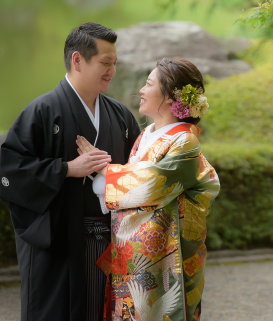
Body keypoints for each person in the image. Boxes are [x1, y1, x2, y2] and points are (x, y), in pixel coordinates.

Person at [0, 22, 142, 321]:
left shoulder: (121, 116)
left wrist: (110, 173)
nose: (111, 71)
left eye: (114, 63)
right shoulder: (43, 111)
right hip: (60, 241)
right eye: (105, 63)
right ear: (77, 60)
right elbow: (10, 174)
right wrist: (65, 169)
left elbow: (139, 173)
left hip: (110, 242)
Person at [77, 57, 220, 321]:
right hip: (135, 252)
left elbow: (154, 183)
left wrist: (103, 170)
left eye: (149, 84)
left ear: (169, 97)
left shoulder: (185, 141)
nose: (141, 90)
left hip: (167, 253)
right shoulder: (145, 136)